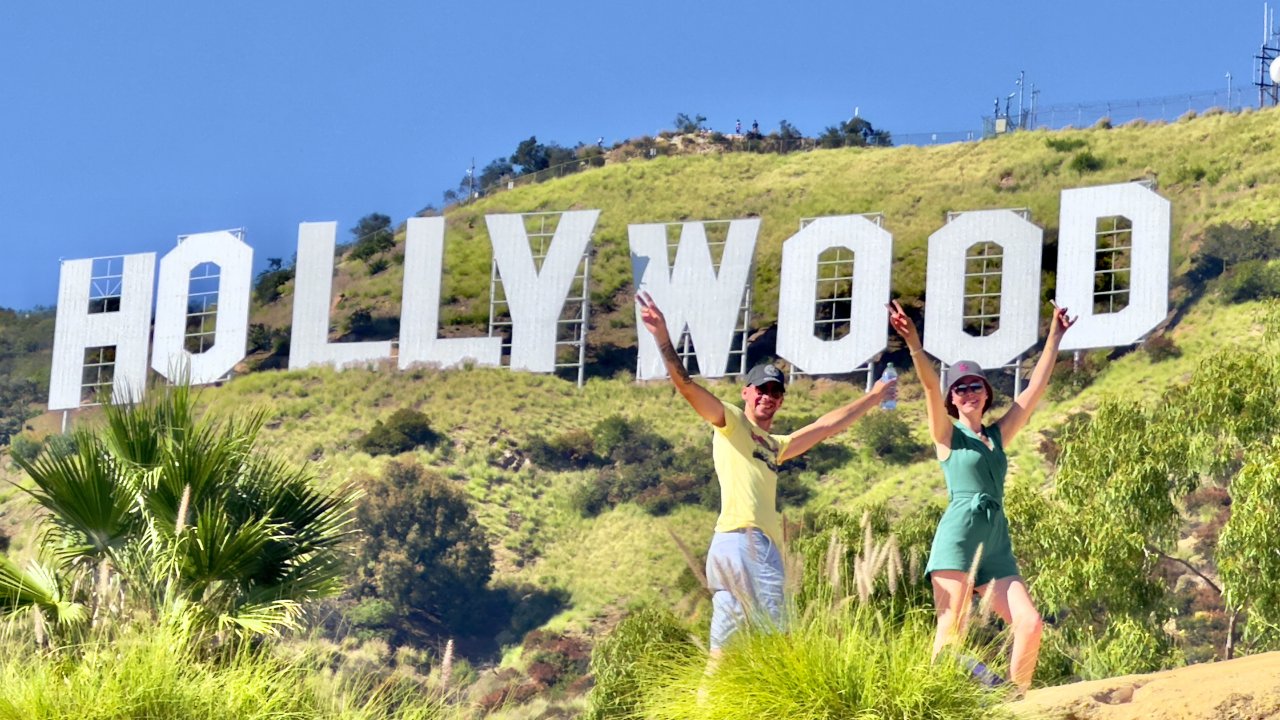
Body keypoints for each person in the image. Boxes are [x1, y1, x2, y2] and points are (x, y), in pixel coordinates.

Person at [636, 292, 896, 659]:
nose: (769, 397)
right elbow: (686, 386)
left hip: (757, 548)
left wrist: (872, 398)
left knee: (751, 651)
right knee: (752, 647)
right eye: (762, 389)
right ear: (746, 392)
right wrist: (662, 338)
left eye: (776, 392)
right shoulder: (730, 421)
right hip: (739, 541)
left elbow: (824, 427)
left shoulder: (776, 445)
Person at [887, 299, 1075, 693]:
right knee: (950, 630)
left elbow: (1035, 389)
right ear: (952, 400)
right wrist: (913, 343)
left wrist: (1054, 336)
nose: (968, 392)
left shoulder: (997, 436)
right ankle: (946, 696)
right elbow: (926, 385)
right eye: (959, 389)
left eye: (975, 386)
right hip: (959, 533)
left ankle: (1016, 700)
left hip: (995, 540)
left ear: (986, 394)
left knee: (1030, 623)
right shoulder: (947, 436)